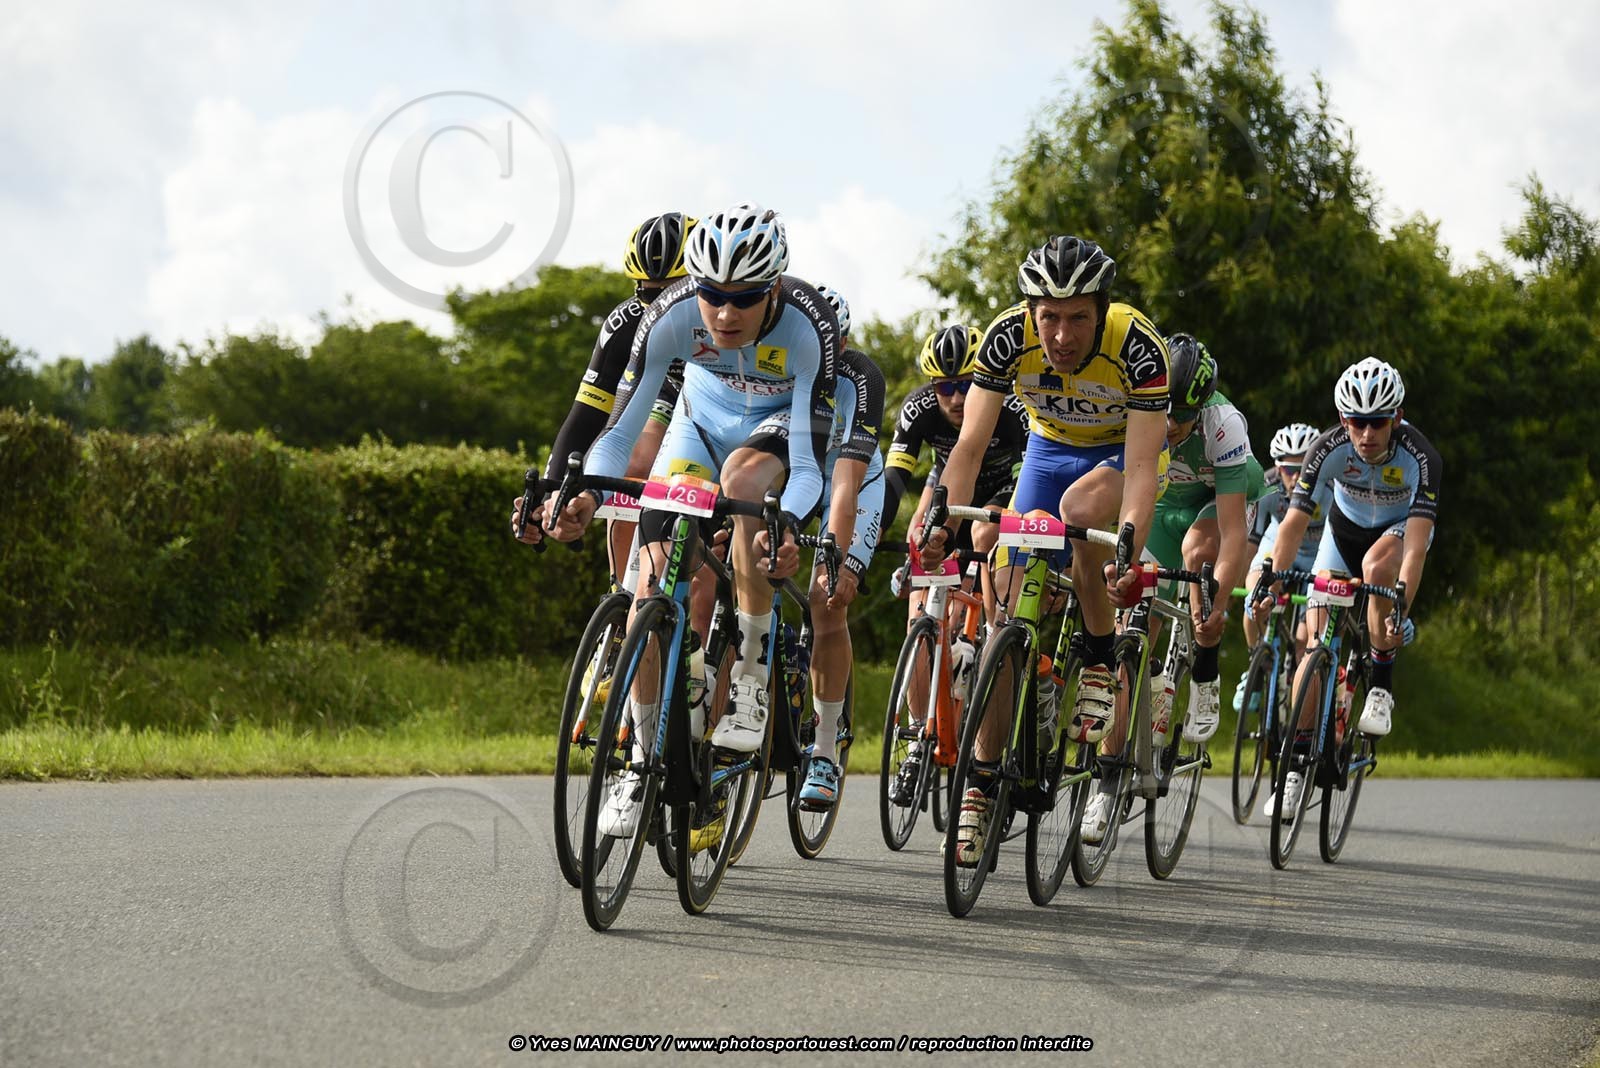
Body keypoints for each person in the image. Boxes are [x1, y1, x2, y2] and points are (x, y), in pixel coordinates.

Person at [544, 203, 839, 836]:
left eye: (745, 298)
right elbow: (618, 432)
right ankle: (642, 760)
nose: (726, 314)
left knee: (744, 482)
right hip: (698, 425)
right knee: (649, 587)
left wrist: (787, 524)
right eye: (713, 295)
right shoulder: (669, 315)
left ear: (774, 289)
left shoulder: (808, 325)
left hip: (773, 429)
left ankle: (752, 673)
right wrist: (588, 494)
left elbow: (808, 466)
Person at [918, 235, 1170, 866]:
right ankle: (982, 783)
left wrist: (1130, 550)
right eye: (1049, 316)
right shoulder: (1006, 336)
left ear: (1102, 311)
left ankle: (1099, 656)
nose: (1061, 335)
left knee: (1079, 515)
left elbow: (1143, 469)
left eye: (1078, 317)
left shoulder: (1138, 347)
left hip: (1117, 458)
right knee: (1002, 609)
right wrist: (942, 522)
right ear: (1030, 312)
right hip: (1047, 451)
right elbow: (970, 446)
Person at [1257, 357, 1441, 819]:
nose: (1367, 433)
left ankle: (1381, 685)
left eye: (1378, 422)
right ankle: (1294, 769)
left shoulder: (1421, 456)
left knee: (1378, 567)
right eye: (1357, 422)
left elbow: (1416, 550)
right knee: (1315, 645)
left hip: (1397, 535)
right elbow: (1293, 524)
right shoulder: (1327, 448)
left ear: (1396, 418)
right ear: (1343, 419)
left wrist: (1401, 601)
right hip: (1341, 537)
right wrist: (1272, 576)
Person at [880, 323, 1028, 803]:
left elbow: (1030, 481)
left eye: (966, 384)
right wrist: (868, 533)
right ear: (932, 386)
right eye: (946, 387)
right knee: (919, 542)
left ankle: (989, 633)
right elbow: (895, 479)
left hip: (1003, 492)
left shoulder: (1012, 409)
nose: (958, 397)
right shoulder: (919, 409)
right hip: (949, 489)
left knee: (987, 535)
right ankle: (919, 741)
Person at [513, 212, 695, 570]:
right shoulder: (625, 323)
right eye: (649, 292)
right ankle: (623, 588)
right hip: (662, 395)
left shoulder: (728, 316)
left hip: (723, 402)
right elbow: (586, 416)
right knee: (635, 460)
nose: (662, 305)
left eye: (674, 291)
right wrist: (550, 493)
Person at [1233, 422, 1325, 712]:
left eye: (1303, 469)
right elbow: (1253, 541)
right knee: (1254, 600)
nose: (1295, 477)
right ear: (1277, 467)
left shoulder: (1330, 489)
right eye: (1288, 469)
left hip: (1317, 554)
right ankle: (1257, 664)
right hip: (1278, 544)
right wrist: (1238, 584)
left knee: (1304, 641)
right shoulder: (1267, 487)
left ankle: (1301, 705)